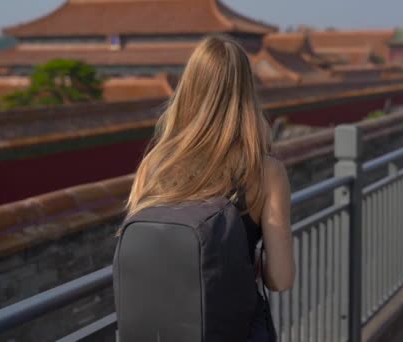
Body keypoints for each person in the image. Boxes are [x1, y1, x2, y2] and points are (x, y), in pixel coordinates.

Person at [124, 35, 295, 340]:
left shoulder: (154, 165)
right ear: (246, 91)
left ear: (188, 87)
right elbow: (281, 278)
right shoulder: (266, 171)